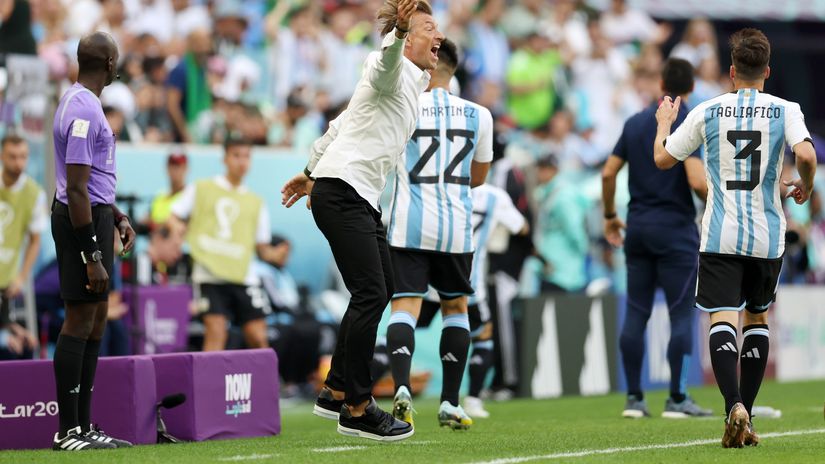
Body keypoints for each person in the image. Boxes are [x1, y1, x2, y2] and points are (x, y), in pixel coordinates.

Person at [281, 0, 443, 442]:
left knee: (382, 288)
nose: (440, 36)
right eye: (430, 28)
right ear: (408, 35)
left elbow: (341, 125)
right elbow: (387, 64)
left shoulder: (412, 83)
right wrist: (398, 34)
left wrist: (311, 172)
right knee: (370, 292)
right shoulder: (386, 64)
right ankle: (356, 406)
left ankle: (335, 388)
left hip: (352, 192)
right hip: (345, 191)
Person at [653, 28, 817, 448]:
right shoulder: (785, 109)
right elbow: (805, 154)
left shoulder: (708, 110)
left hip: (720, 234)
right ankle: (749, 412)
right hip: (767, 235)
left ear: (731, 71)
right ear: (767, 71)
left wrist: (664, 124)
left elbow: (663, 158)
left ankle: (733, 406)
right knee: (757, 318)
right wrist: (806, 183)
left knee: (722, 317)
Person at [383, 38, 492, 430]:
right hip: (455, 227)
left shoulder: (404, 107)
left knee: (405, 306)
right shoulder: (480, 115)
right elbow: (478, 177)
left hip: (409, 222)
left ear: (426, 67)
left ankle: (401, 386)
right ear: (454, 70)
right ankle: (450, 402)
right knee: (456, 308)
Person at [602, 58, 712, 419]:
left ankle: (634, 398)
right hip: (676, 231)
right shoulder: (690, 120)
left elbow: (608, 173)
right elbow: (696, 181)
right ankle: (677, 399)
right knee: (680, 315)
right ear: (692, 87)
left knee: (637, 312)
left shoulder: (635, 122)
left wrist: (610, 216)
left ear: (662, 83)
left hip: (637, 228)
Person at [50, 31, 136, 451]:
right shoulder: (83, 108)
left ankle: (84, 426)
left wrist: (116, 216)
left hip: (96, 216)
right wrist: (92, 254)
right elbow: (76, 188)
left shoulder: (83, 102)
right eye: (116, 57)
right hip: (79, 221)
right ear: (108, 63)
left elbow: (92, 181)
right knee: (79, 320)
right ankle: (67, 431)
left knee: (97, 318)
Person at [418, 182, 529, 419]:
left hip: (431, 281)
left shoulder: (439, 185)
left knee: (400, 327)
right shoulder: (494, 196)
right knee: (482, 337)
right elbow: (521, 227)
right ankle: (473, 400)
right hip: (469, 284)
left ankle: (361, 394)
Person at [169, 136, 271, 352]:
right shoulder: (201, 188)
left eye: (246, 156)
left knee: (258, 338)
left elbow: (262, 248)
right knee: (216, 332)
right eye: (236, 155)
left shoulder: (256, 202)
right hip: (209, 275)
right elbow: (173, 215)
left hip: (243, 276)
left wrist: (276, 254)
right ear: (224, 158)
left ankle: (262, 376)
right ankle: (209, 376)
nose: (242, 161)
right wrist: (177, 229)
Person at [0, 134, 45, 360]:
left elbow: (35, 241)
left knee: (22, 346)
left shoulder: (34, 194)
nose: (18, 163)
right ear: (2, 156)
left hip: (6, 281)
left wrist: (21, 277)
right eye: (13, 156)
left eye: (23, 157)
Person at [533, 154, 588, 293]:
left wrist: (582, 249)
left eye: (544, 169)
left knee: (560, 303)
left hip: (563, 266)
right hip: (550, 264)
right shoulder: (547, 192)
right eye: (539, 168)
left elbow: (574, 228)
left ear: (554, 170)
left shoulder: (563, 196)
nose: (539, 173)